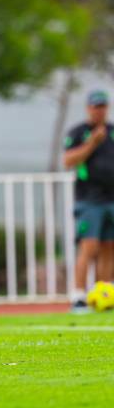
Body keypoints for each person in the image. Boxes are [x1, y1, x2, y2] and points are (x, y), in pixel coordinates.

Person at [64, 90, 114, 313]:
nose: (99, 110)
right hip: (89, 199)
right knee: (89, 245)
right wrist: (93, 143)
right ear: (88, 108)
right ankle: (78, 296)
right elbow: (68, 160)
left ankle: (103, 294)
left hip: (111, 199)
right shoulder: (79, 132)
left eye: (103, 106)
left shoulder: (112, 132)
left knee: (108, 247)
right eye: (96, 106)